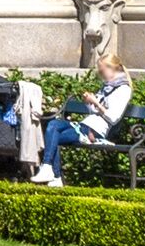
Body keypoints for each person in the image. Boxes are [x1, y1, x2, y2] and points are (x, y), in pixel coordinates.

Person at [32, 51, 135, 188]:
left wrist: (96, 102)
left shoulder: (123, 89)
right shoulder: (107, 87)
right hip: (85, 126)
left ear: (112, 68)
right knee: (53, 125)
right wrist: (89, 102)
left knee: (53, 136)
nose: (101, 75)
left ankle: (54, 175)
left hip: (94, 132)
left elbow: (113, 118)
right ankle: (49, 170)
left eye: (102, 71)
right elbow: (95, 112)